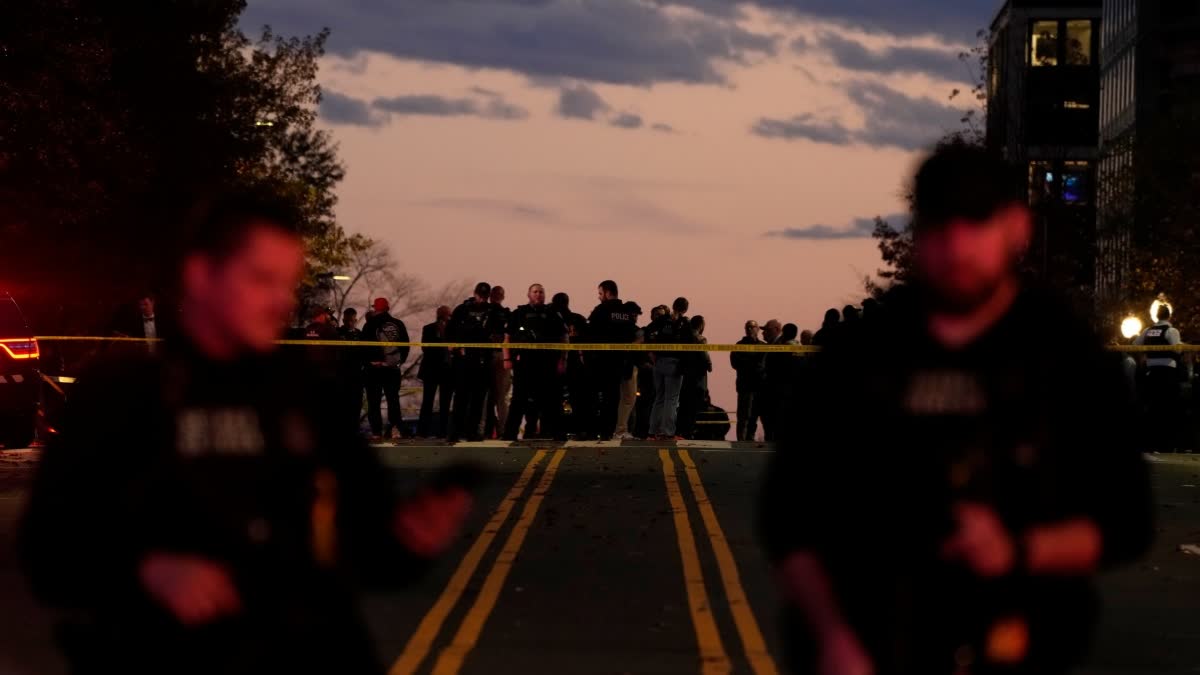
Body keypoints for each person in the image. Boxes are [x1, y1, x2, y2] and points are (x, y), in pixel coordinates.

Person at [18, 189, 473, 675]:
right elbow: (49, 551)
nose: (281, 300)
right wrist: (148, 570)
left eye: (288, 283)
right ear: (201, 274)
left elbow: (364, 552)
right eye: (261, 279)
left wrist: (410, 538)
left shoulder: (303, 396)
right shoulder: (126, 395)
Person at [759, 144, 1153, 675]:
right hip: (872, 642)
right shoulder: (858, 358)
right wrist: (833, 635)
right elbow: (789, 518)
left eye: (977, 222)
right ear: (918, 234)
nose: (957, 245)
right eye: (940, 225)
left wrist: (1017, 549)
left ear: (1016, 227)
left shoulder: (1066, 357)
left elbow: (1125, 519)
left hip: (1021, 641)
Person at [503, 284, 568, 441]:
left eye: (541, 292)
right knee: (518, 400)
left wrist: (562, 360)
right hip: (524, 364)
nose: (538, 294)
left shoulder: (553, 314)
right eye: (535, 292)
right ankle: (509, 434)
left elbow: (564, 339)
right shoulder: (519, 313)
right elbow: (507, 338)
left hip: (548, 364)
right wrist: (507, 359)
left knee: (552, 399)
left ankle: (557, 434)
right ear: (528, 294)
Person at [448, 283, 502, 443]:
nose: (482, 298)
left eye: (485, 296)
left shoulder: (493, 311)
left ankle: (472, 431)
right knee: (460, 399)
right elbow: (451, 331)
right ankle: (455, 432)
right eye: (480, 295)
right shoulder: (462, 310)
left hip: (483, 360)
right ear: (475, 293)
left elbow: (499, 331)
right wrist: (455, 347)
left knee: (478, 399)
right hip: (464, 360)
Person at [586, 280, 640, 441]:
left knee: (595, 397)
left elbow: (590, 334)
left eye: (600, 293)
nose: (599, 297)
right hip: (621, 363)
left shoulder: (601, 310)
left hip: (601, 362)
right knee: (613, 398)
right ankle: (608, 432)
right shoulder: (626, 312)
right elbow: (633, 335)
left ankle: (592, 431)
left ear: (608, 292)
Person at [1135, 303, 1185, 452]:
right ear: (1169, 316)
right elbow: (1178, 350)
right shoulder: (1171, 330)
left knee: (1152, 408)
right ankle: (1166, 444)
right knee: (1168, 409)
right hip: (1168, 374)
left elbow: (1135, 344)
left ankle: (1150, 443)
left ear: (1156, 316)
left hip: (1151, 373)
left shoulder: (1148, 331)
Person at [647, 297, 697, 441]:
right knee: (672, 399)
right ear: (685, 309)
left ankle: (652, 432)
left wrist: (652, 351)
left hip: (659, 362)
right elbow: (691, 345)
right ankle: (668, 432)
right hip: (674, 363)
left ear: (673, 305)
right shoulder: (685, 323)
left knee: (659, 397)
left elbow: (648, 330)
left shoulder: (663, 319)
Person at [361, 298, 411, 441]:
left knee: (374, 402)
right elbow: (406, 345)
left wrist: (368, 363)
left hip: (374, 370)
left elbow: (362, 347)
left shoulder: (370, 324)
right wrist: (399, 362)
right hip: (392, 369)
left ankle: (377, 433)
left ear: (376, 309)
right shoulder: (398, 324)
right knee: (393, 400)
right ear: (387, 308)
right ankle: (395, 429)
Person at [417, 306, 454, 439]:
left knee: (443, 403)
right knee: (429, 402)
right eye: (448, 314)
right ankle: (424, 431)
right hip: (433, 369)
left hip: (445, 370)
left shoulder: (453, 330)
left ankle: (440, 431)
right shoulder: (429, 328)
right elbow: (426, 348)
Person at [634, 306, 670, 440]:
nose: (659, 317)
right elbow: (636, 347)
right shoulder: (646, 330)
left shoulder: (667, 331)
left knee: (662, 400)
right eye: (656, 315)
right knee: (645, 402)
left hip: (662, 370)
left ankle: (658, 430)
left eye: (661, 315)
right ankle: (643, 430)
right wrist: (644, 363)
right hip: (647, 373)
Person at [762, 323, 800, 442]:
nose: (763, 333)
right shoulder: (800, 348)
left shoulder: (782, 348)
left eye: (767, 330)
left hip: (780, 388)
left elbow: (774, 367)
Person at [483, 286, 512, 439]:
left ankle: (502, 430)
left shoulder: (507, 313)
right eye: (495, 293)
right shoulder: (484, 312)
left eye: (499, 294)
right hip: (487, 356)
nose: (497, 296)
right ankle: (487, 429)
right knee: (487, 397)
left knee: (501, 397)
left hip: (501, 354)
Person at [677, 315, 712, 439]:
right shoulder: (700, 339)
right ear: (701, 325)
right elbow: (704, 355)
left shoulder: (683, 337)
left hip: (684, 376)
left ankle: (679, 430)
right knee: (693, 407)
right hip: (697, 377)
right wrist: (709, 365)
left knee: (683, 405)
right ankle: (688, 431)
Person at [732, 320, 767, 441]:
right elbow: (735, 363)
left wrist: (751, 364)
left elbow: (765, 365)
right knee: (744, 415)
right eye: (748, 327)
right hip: (745, 386)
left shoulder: (764, 346)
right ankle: (741, 440)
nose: (750, 329)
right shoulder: (739, 345)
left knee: (754, 415)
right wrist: (754, 365)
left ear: (757, 329)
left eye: (752, 327)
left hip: (759, 386)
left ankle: (750, 438)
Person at [614, 301, 644, 441]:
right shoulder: (632, 330)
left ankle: (619, 429)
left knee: (621, 399)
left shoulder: (616, 327)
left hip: (618, 366)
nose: (637, 318)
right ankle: (621, 430)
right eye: (636, 315)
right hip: (628, 366)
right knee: (628, 399)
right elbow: (633, 346)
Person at [336, 308, 365, 433]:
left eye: (352, 320)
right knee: (341, 403)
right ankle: (341, 429)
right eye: (347, 320)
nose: (349, 323)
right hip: (341, 374)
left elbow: (365, 352)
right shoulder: (337, 333)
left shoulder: (360, 334)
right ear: (343, 320)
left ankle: (354, 429)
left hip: (357, 374)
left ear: (356, 320)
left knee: (356, 403)